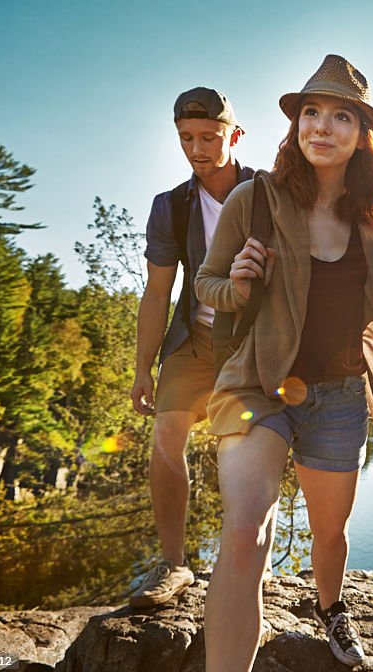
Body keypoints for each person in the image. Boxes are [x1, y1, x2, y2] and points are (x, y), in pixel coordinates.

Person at [195, 54, 373, 672]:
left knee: (330, 531)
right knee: (245, 532)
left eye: (341, 116)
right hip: (257, 388)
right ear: (295, 126)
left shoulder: (371, 226)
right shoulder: (253, 199)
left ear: (361, 134)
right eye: (311, 112)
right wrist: (235, 284)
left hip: (339, 398)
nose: (322, 126)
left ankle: (332, 606)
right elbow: (206, 283)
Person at [128, 87, 263, 608]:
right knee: (166, 435)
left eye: (209, 137)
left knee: (249, 451)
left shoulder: (269, 193)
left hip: (253, 341)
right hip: (193, 337)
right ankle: (174, 565)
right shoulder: (172, 208)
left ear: (235, 134)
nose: (198, 149)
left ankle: (249, 566)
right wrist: (143, 367)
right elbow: (157, 292)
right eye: (187, 138)